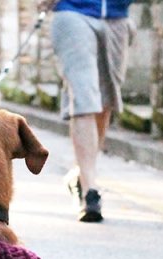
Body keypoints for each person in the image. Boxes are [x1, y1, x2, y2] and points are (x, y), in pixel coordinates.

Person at [47, 0, 133, 223]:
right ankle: (90, 191)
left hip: (117, 16)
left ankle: (82, 174)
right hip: (72, 11)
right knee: (84, 95)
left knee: (105, 101)